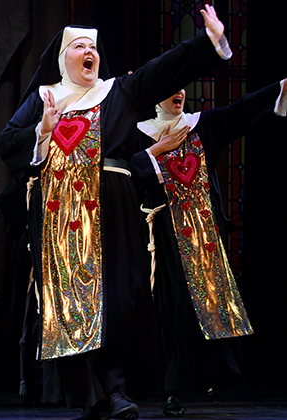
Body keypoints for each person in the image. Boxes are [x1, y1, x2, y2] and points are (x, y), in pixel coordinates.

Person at [0, 5, 231, 420]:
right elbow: (7, 142)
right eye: (80, 47)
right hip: (61, 213)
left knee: (121, 295)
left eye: (94, 47)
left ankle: (113, 388)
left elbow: (160, 71)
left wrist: (207, 42)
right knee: (75, 301)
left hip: (114, 204)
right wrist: (44, 129)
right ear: (64, 58)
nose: (90, 52)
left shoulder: (117, 92)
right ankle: (100, 394)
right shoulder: (45, 98)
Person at [132, 80, 287, 417]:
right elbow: (128, 172)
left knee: (206, 304)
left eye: (181, 87)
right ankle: (171, 388)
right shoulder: (140, 133)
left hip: (202, 236)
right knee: (172, 307)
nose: (178, 92)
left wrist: (280, 88)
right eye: (169, 86)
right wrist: (156, 151)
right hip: (163, 234)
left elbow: (241, 110)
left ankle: (207, 372)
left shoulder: (201, 125)